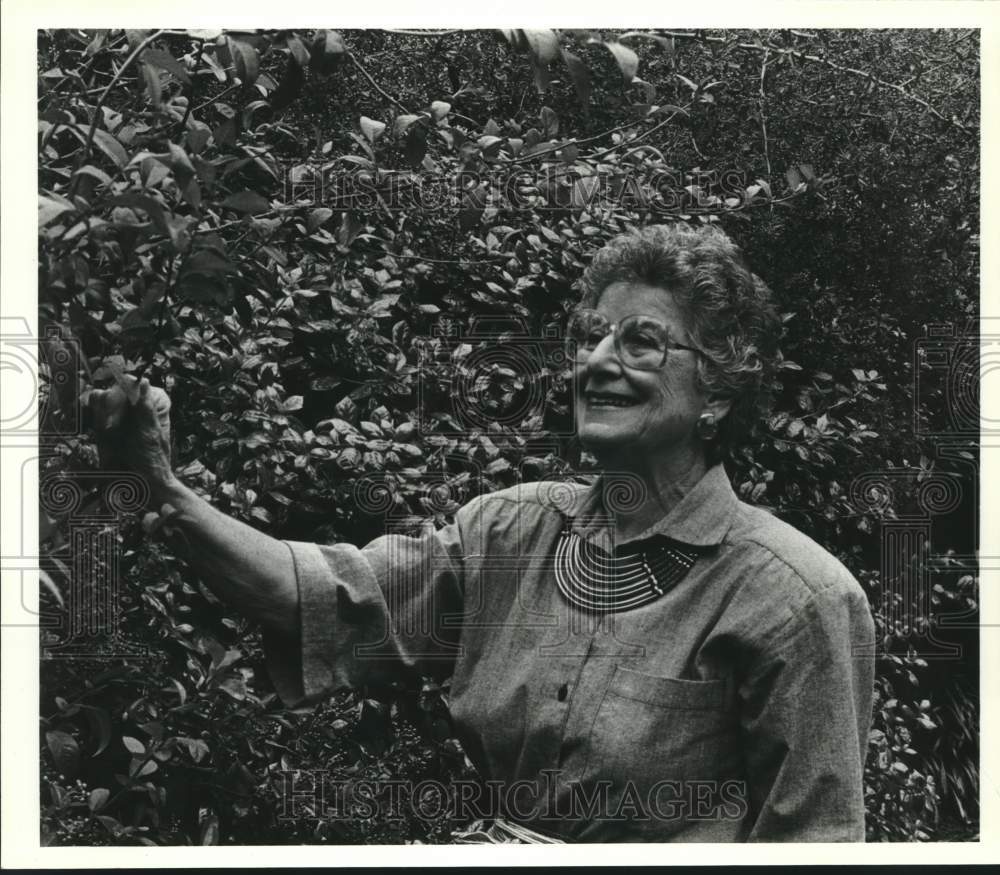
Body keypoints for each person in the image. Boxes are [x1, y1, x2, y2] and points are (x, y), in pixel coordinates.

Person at [88, 223, 876, 842]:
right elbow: (324, 597)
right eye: (589, 335)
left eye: (640, 340)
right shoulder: (508, 531)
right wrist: (164, 488)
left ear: (718, 390)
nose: (598, 360)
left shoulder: (795, 598)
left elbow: (814, 839)